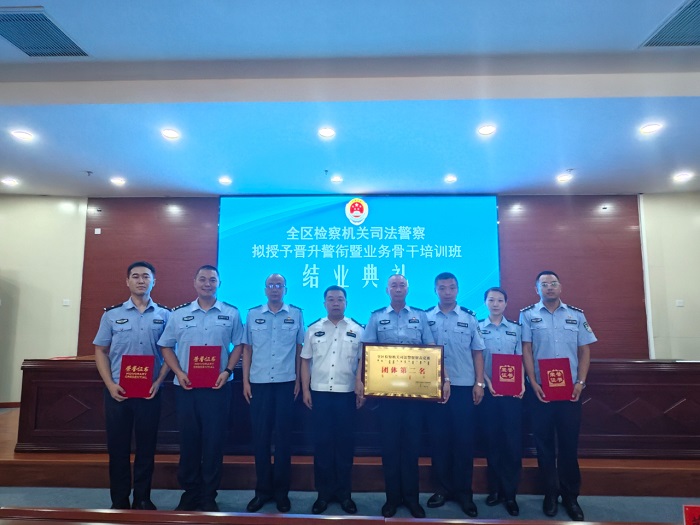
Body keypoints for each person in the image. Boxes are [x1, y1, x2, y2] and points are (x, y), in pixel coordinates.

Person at [158, 265, 244, 512]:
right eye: (203, 279)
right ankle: (190, 492)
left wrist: (227, 371)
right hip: (186, 388)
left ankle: (208, 494)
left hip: (218, 388)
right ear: (194, 282)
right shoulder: (179, 314)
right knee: (189, 441)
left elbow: (239, 344)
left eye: (212, 280)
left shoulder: (231, 313)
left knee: (214, 442)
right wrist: (179, 372)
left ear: (219, 283)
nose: (208, 284)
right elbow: (165, 346)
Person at [520, 270, 597, 522]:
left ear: (560, 287)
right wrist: (532, 382)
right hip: (541, 391)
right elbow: (526, 350)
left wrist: (581, 382)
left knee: (568, 445)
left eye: (553, 283)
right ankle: (550, 494)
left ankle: (571, 496)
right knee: (543, 446)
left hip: (570, 391)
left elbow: (584, 351)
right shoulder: (527, 315)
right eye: (544, 284)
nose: (549, 287)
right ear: (537, 289)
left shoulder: (576, 315)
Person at [93, 261, 170, 510]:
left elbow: (171, 353)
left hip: (150, 392)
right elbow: (100, 350)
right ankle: (119, 500)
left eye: (146, 276)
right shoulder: (111, 315)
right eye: (135, 276)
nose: (140, 280)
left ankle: (142, 498)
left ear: (154, 281)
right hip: (118, 392)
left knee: (146, 449)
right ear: (127, 281)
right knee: (118, 449)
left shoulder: (165, 315)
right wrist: (109, 384)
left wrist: (159, 381)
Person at [360, 274, 434, 519]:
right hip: (387, 395)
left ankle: (412, 499)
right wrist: (362, 381)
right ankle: (392, 499)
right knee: (390, 447)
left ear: (408, 289)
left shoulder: (420, 316)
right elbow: (366, 351)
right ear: (387, 290)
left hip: (415, 395)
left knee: (412, 447)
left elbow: (431, 350)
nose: (398, 288)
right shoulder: (376, 317)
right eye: (394, 285)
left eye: (402, 285)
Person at [424, 272, 485, 517]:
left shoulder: (469, 317)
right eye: (442, 288)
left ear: (457, 290)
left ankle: (464, 493)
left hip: (464, 387)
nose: (447, 292)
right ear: (435, 290)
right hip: (434, 387)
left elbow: (478, 351)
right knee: (438, 440)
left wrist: (479, 383)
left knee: (463, 441)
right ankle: (441, 489)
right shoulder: (426, 317)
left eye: (451, 287)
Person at [243, 273, 304, 514]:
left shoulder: (296, 313)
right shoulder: (252, 314)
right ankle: (262, 491)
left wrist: (298, 379)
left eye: (279, 285)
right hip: (258, 383)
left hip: (286, 383)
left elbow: (299, 349)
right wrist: (245, 381)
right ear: (265, 289)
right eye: (271, 285)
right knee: (260, 439)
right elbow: (247, 349)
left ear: (285, 289)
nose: (275, 289)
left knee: (283, 440)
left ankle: (281, 493)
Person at [300, 285, 364, 515]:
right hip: (319, 394)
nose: (335, 303)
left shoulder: (358, 329)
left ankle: (345, 495)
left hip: (346, 394)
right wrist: (306, 390)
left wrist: (360, 387)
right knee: (322, 445)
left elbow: (363, 362)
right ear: (324, 303)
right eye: (331, 299)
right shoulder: (313, 329)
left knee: (345, 446)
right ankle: (324, 494)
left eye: (340, 299)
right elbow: (305, 360)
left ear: (346, 303)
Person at [478, 287, 523, 516]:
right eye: (491, 300)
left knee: (512, 444)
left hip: (513, 395)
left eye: (500, 300)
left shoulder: (516, 329)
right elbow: (476, 358)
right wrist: (487, 382)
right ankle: (495, 490)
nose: (495, 304)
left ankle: (510, 493)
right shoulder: (478, 328)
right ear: (485, 303)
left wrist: (522, 383)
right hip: (489, 393)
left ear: (506, 303)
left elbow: (521, 358)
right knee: (493, 442)